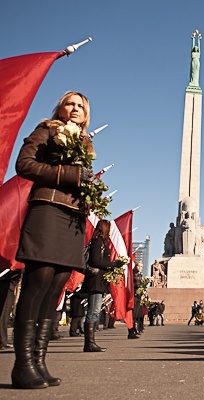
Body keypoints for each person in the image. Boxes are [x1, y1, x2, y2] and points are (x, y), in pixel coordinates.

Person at [11, 92, 99, 389]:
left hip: (73, 217)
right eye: (70, 103)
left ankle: (39, 361)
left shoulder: (86, 142)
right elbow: (24, 165)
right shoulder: (47, 130)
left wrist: (90, 187)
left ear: (86, 114)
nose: (75, 109)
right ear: (60, 107)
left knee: (57, 284)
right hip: (48, 209)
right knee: (39, 280)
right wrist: (69, 175)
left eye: (81, 106)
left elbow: (79, 178)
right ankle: (22, 365)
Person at [82, 220, 126, 351]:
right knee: (93, 311)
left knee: (94, 311)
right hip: (95, 280)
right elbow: (96, 261)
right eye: (110, 228)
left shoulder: (101, 242)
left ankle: (90, 343)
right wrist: (114, 264)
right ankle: (89, 344)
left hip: (99, 280)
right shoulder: (97, 242)